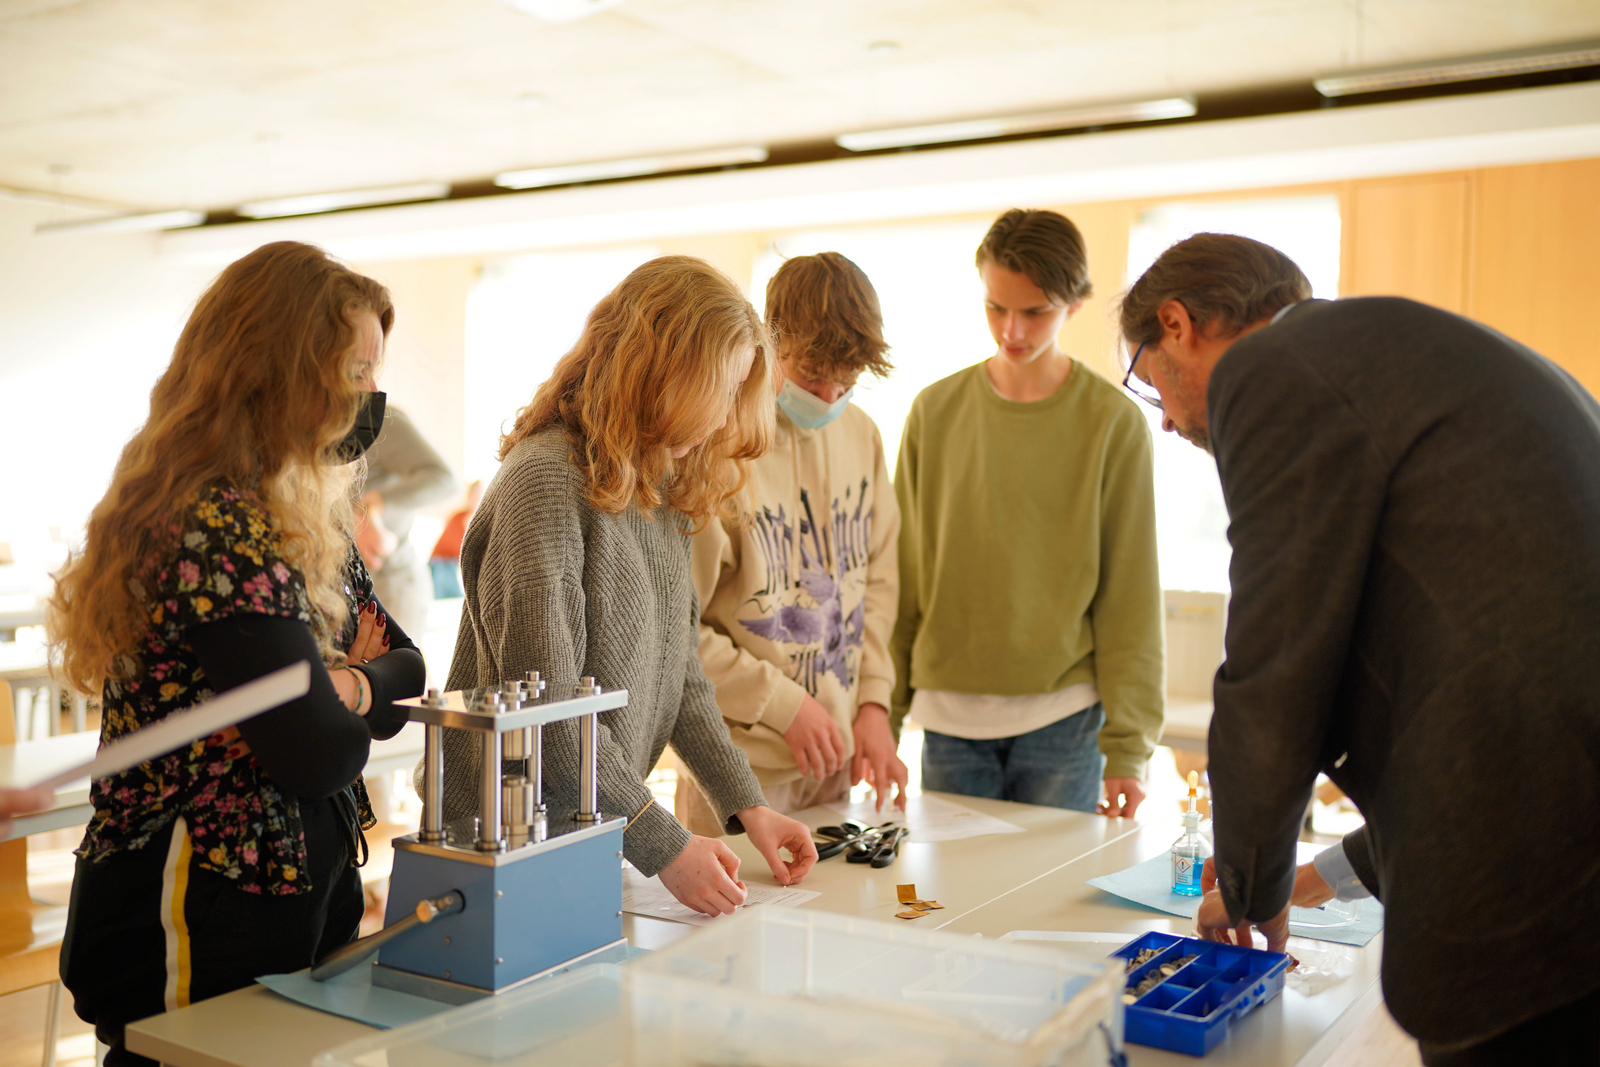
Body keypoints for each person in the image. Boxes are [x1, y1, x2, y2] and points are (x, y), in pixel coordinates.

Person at [1120, 232, 1600, 1064]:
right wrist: (1311, 878)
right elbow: (1481, 686)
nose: (1163, 417)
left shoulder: (1270, 369)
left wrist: (1249, 883)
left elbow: (1275, 661)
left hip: (1528, 896)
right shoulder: (1402, 357)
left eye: (1147, 374)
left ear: (1177, 323)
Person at [47, 242, 426, 1066]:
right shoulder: (212, 521)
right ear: (283, 369)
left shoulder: (304, 516)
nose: (371, 397)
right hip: (197, 907)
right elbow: (316, 751)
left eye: (375, 371)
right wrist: (355, 698)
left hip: (277, 898)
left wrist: (347, 686)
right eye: (354, 372)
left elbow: (411, 671)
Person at [442, 255, 818, 918]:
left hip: (586, 829)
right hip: (500, 844)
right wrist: (663, 842)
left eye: (734, 393)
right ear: (653, 365)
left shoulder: (658, 481)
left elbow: (680, 674)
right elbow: (549, 711)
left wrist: (746, 803)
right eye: (715, 390)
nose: (722, 417)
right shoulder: (545, 483)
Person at [889, 209, 1164, 817]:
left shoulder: (1114, 425)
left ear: (1074, 303)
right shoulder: (933, 413)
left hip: (1064, 717)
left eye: (1034, 311)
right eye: (996, 307)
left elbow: (1131, 596)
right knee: (950, 908)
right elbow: (901, 578)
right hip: (950, 719)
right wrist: (882, 717)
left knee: (1047, 907)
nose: (1012, 330)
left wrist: (1129, 748)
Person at [680, 252, 907, 835]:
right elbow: (676, 632)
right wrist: (782, 705)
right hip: (737, 767)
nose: (830, 396)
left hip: (833, 759)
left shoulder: (864, 435)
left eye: (847, 382)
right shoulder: (716, 443)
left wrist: (875, 705)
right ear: (768, 343)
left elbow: (877, 584)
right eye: (812, 378)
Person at [355, 404, 458, 633]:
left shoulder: (376, 417)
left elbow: (444, 479)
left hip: (390, 585)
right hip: (350, 590)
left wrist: (372, 505)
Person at [427, 479, 483, 599]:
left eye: (480, 495)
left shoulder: (478, 519)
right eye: (475, 495)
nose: (477, 499)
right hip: (441, 564)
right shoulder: (461, 517)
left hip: (451, 564)